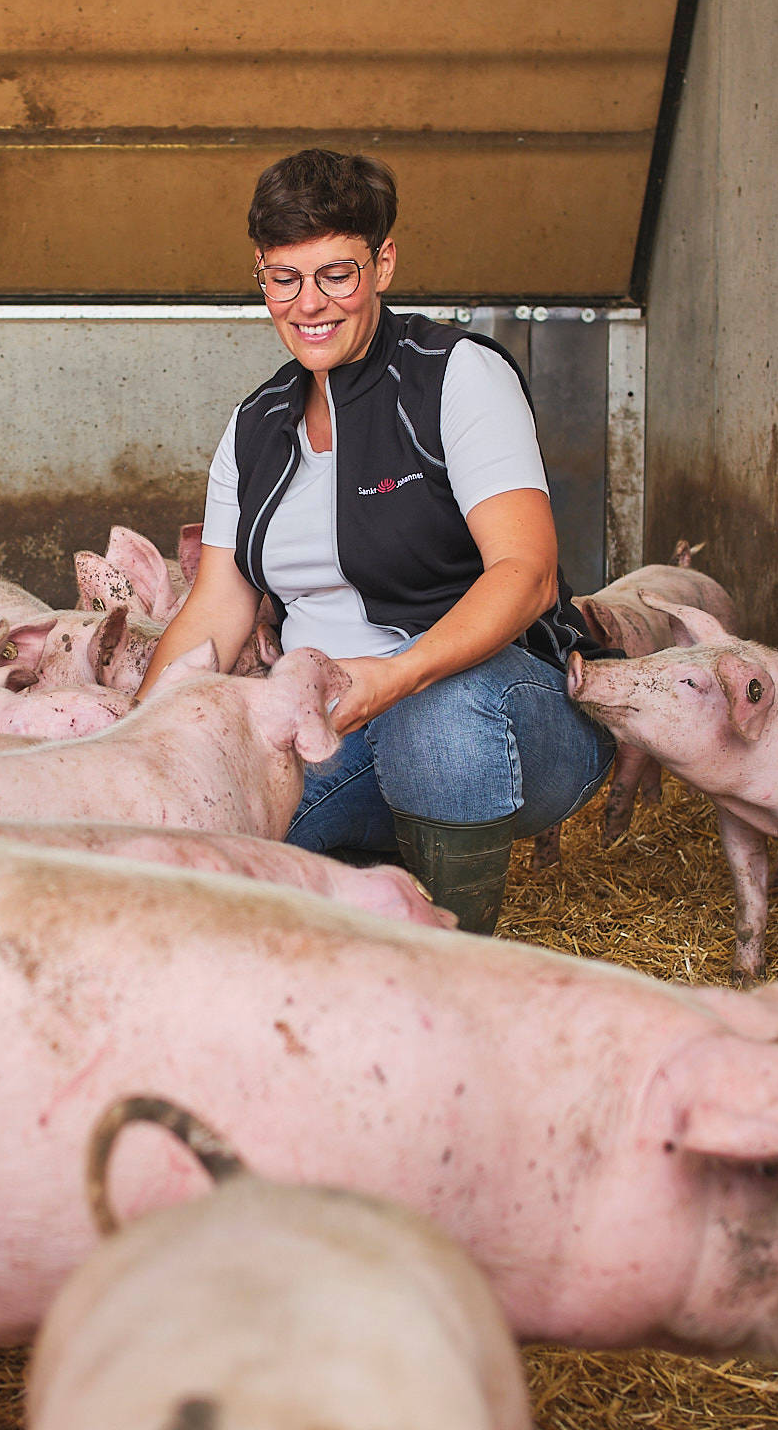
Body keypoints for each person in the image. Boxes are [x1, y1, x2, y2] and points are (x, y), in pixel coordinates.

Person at [134, 147, 615, 934]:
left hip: (502, 710)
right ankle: (368, 875)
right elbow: (215, 609)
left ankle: (450, 968)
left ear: (382, 263)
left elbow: (525, 573)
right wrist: (141, 748)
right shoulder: (254, 426)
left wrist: (394, 676)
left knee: (436, 710)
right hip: (333, 723)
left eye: (336, 274)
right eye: (282, 279)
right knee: (209, 856)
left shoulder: (455, 376)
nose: (308, 303)